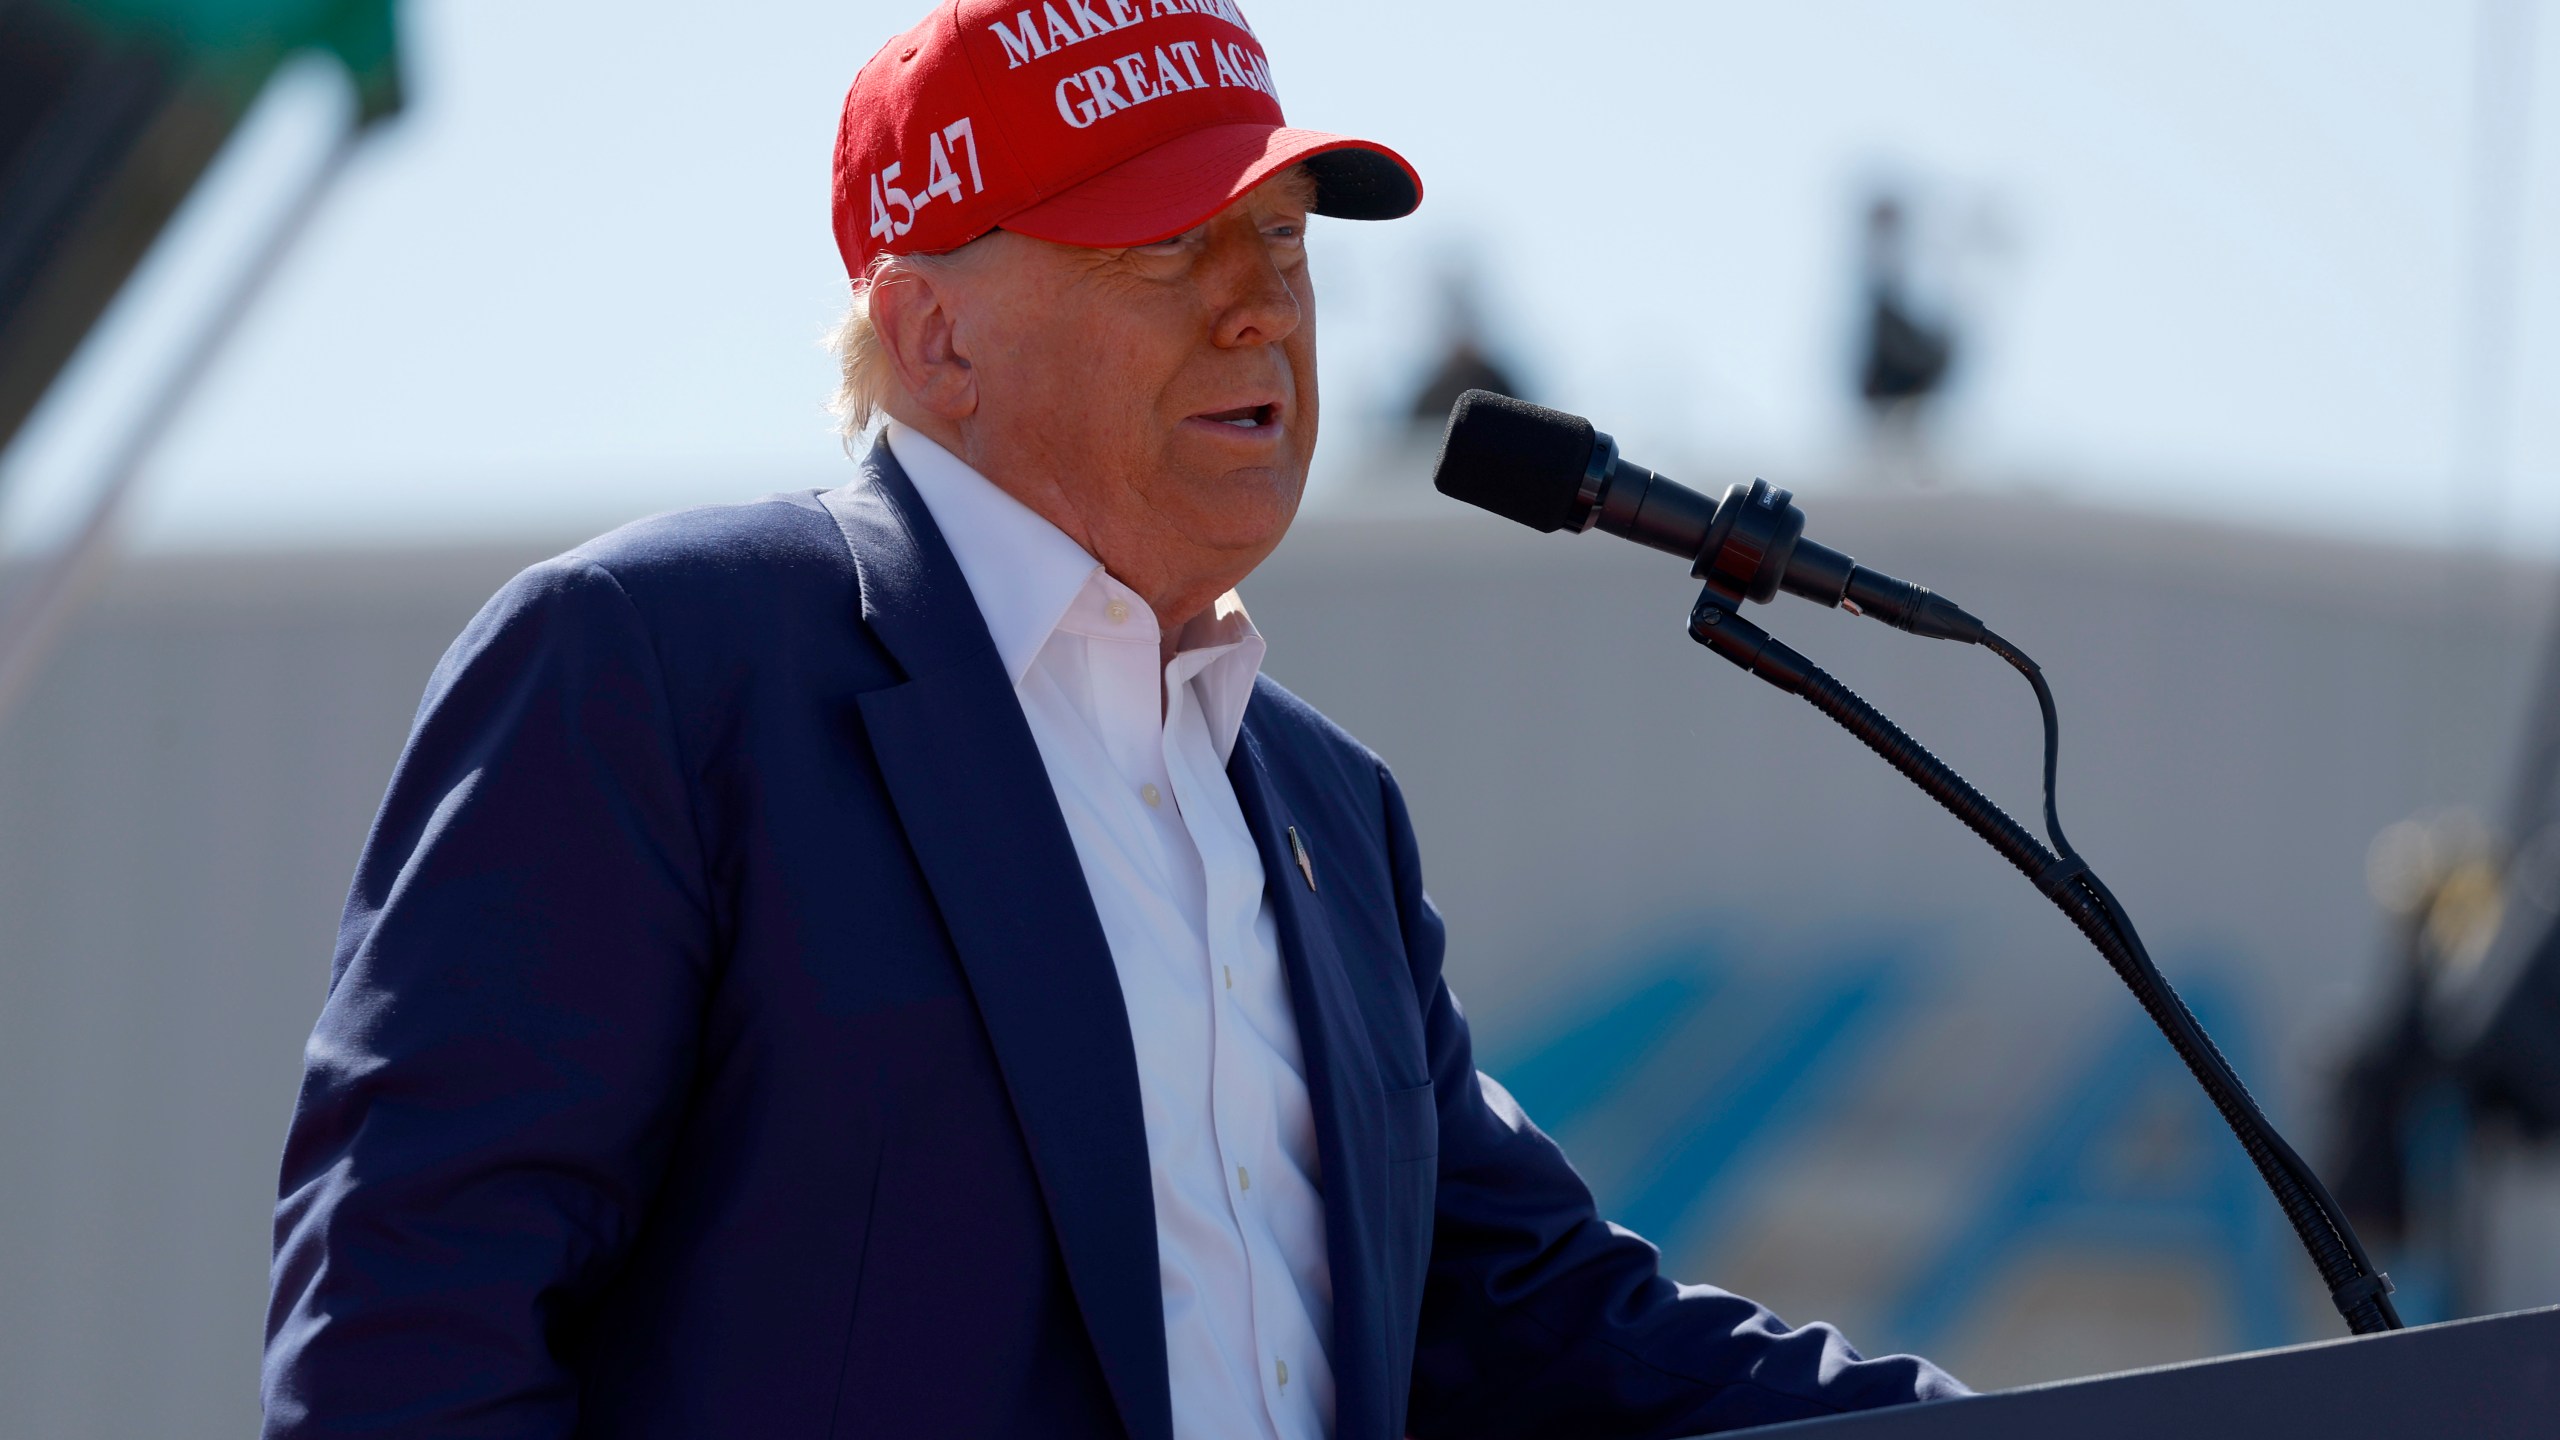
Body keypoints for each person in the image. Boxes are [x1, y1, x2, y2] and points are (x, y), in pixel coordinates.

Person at [261, 3, 1966, 1436]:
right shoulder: (655, 666)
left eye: (1284, 237)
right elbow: (410, 1326)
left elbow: (1554, 1323)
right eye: (1167, 242)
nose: (1260, 303)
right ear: (932, 334)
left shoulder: (1326, 811)